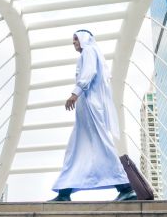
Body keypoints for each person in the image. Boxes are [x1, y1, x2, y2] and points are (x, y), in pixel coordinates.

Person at [49, 29, 137, 202]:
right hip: (86, 110)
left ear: (84, 39)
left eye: (76, 39)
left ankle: (125, 187)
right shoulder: (89, 53)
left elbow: (89, 73)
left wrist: (75, 93)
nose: (73, 42)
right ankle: (64, 192)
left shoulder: (89, 51)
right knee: (76, 149)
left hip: (90, 107)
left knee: (101, 145)